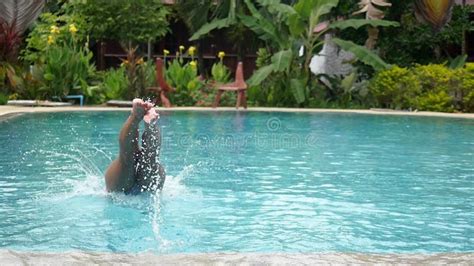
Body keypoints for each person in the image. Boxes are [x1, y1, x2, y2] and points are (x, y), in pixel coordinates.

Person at [105, 98, 165, 194]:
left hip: (118, 184)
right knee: (151, 158)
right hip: (149, 189)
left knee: (126, 157)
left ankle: (135, 116)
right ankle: (151, 125)